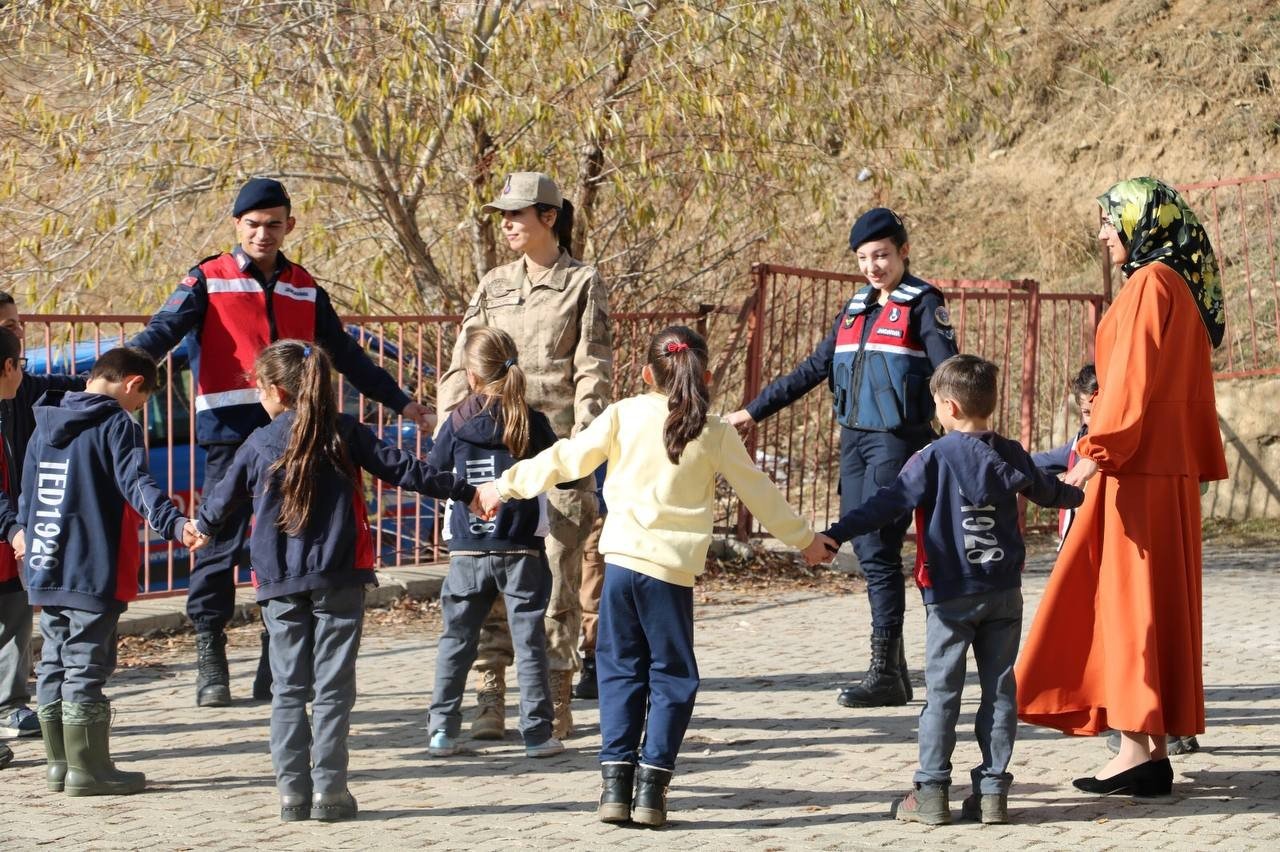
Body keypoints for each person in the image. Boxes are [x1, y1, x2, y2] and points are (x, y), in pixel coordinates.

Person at [476, 326, 835, 828]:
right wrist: (805, 540)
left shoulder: (623, 414)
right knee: (672, 677)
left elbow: (565, 459)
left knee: (621, 670)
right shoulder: (714, 432)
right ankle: (652, 790)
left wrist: (504, 485)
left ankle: (614, 788)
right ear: (705, 376)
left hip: (620, 565)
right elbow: (760, 493)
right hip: (670, 575)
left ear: (646, 375)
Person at [131, 177, 434, 708]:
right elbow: (161, 332)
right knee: (217, 541)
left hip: (297, 434)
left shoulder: (304, 285)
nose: (263, 234)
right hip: (229, 432)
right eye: (252, 225)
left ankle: (277, 662)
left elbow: (345, 351)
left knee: (287, 542)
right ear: (237, 227)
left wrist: (400, 401)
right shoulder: (208, 277)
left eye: (273, 224)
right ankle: (211, 654)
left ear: (289, 226)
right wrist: (121, 375)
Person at [193, 340, 476, 823]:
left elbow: (218, 506)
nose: (258, 397)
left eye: (259, 388)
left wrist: (199, 529)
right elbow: (405, 470)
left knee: (288, 689)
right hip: (339, 574)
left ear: (278, 391)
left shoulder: (258, 443)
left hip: (279, 582)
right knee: (333, 687)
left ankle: (291, 797)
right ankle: (330, 793)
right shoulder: (345, 431)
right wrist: (466, 490)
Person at [1016, 177, 1228, 797]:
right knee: (1153, 604)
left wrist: (1093, 453)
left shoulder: (1147, 285)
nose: (1104, 232)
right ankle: (1148, 749)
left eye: (1112, 220)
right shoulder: (1178, 287)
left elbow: (1129, 382)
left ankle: (1138, 748)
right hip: (1165, 472)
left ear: (1141, 222)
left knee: (1131, 606)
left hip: (1135, 472)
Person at [815, 355, 1083, 826]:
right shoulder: (1012, 453)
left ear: (950, 406)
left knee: (942, 694)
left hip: (950, 596)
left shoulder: (933, 457)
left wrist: (837, 533)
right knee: (999, 692)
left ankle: (933, 790)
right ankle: (993, 792)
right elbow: (1051, 491)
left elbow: (887, 503)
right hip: (1003, 592)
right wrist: (1083, 492)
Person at [726, 207, 958, 708]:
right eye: (864, 258)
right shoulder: (854, 309)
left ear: (903, 252)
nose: (873, 267)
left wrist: (965, 436)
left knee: (875, 550)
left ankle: (885, 673)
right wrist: (751, 412)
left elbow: (949, 375)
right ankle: (892, 672)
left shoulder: (923, 305)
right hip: (854, 442)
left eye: (882, 255)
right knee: (873, 555)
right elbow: (812, 368)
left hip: (897, 442)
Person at [437, 171, 612, 740]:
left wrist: (583, 442)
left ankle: (555, 694)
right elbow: (463, 361)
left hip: (557, 453)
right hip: (493, 452)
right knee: (486, 569)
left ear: (549, 218)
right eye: (502, 215)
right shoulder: (493, 284)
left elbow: (593, 367)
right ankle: (490, 695)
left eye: (517, 214)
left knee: (559, 578)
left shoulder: (581, 282)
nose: (508, 224)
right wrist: (450, 432)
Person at [17, 347, 201, 796]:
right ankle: (89, 771)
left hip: (47, 564)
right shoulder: (115, 423)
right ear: (133, 384)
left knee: (53, 664)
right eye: (141, 402)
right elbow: (137, 483)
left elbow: (27, 495)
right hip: (92, 565)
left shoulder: (45, 422)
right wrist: (175, 524)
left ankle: (59, 766)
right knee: (86, 664)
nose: (137, 410)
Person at [424, 327, 564, 759]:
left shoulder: (457, 422)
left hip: (467, 547)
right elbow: (566, 471)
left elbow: (433, 473)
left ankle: (442, 732)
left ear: (470, 375)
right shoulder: (531, 420)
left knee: (456, 641)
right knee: (529, 641)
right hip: (521, 548)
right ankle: (538, 735)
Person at [0, 296, 87, 741]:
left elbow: (75, 385)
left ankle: (11, 705)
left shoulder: (23, 388)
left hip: (13, 527)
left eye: (17, 323)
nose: (15, 331)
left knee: (14, 611)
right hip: (9, 522)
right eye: (5, 325)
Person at [1031, 363, 1097, 546]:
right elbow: (1045, 462)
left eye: (1099, 411)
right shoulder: (1079, 440)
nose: (1093, 420)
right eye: (1086, 412)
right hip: (1077, 538)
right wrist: (1008, 458)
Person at [574, 465, 607, 700]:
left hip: (596, 503)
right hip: (553, 503)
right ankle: (555, 668)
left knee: (592, 591)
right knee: (555, 597)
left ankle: (592, 661)